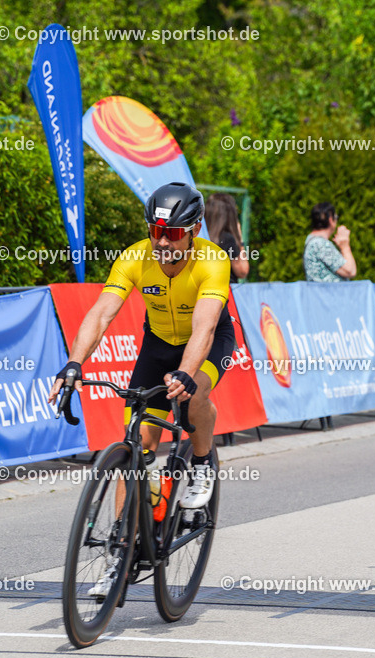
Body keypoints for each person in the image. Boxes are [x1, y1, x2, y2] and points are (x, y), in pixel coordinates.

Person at [48, 182, 235, 595]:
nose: (163, 242)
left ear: (195, 229)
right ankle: (120, 550)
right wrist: (74, 364)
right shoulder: (135, 257)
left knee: (193, 395)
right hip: (158, 345)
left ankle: (202, 463)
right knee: (135, 446)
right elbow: (101, 314)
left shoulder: (212, 260)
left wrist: (185, 374)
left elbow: (204, 328)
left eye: (173, 233)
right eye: (156, 231)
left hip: (208, 342)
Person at [303, 201, 356, 282]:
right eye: (336, 217)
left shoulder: (312, 240)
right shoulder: (319, 244)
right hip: (328, 290)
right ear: (331, 220)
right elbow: (350, 271)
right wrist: (345, 246)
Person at [204, 193, 248, 282]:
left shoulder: (199, 236)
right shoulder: (228, 239)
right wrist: (240, 240)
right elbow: (242, 271)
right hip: (224, 288)